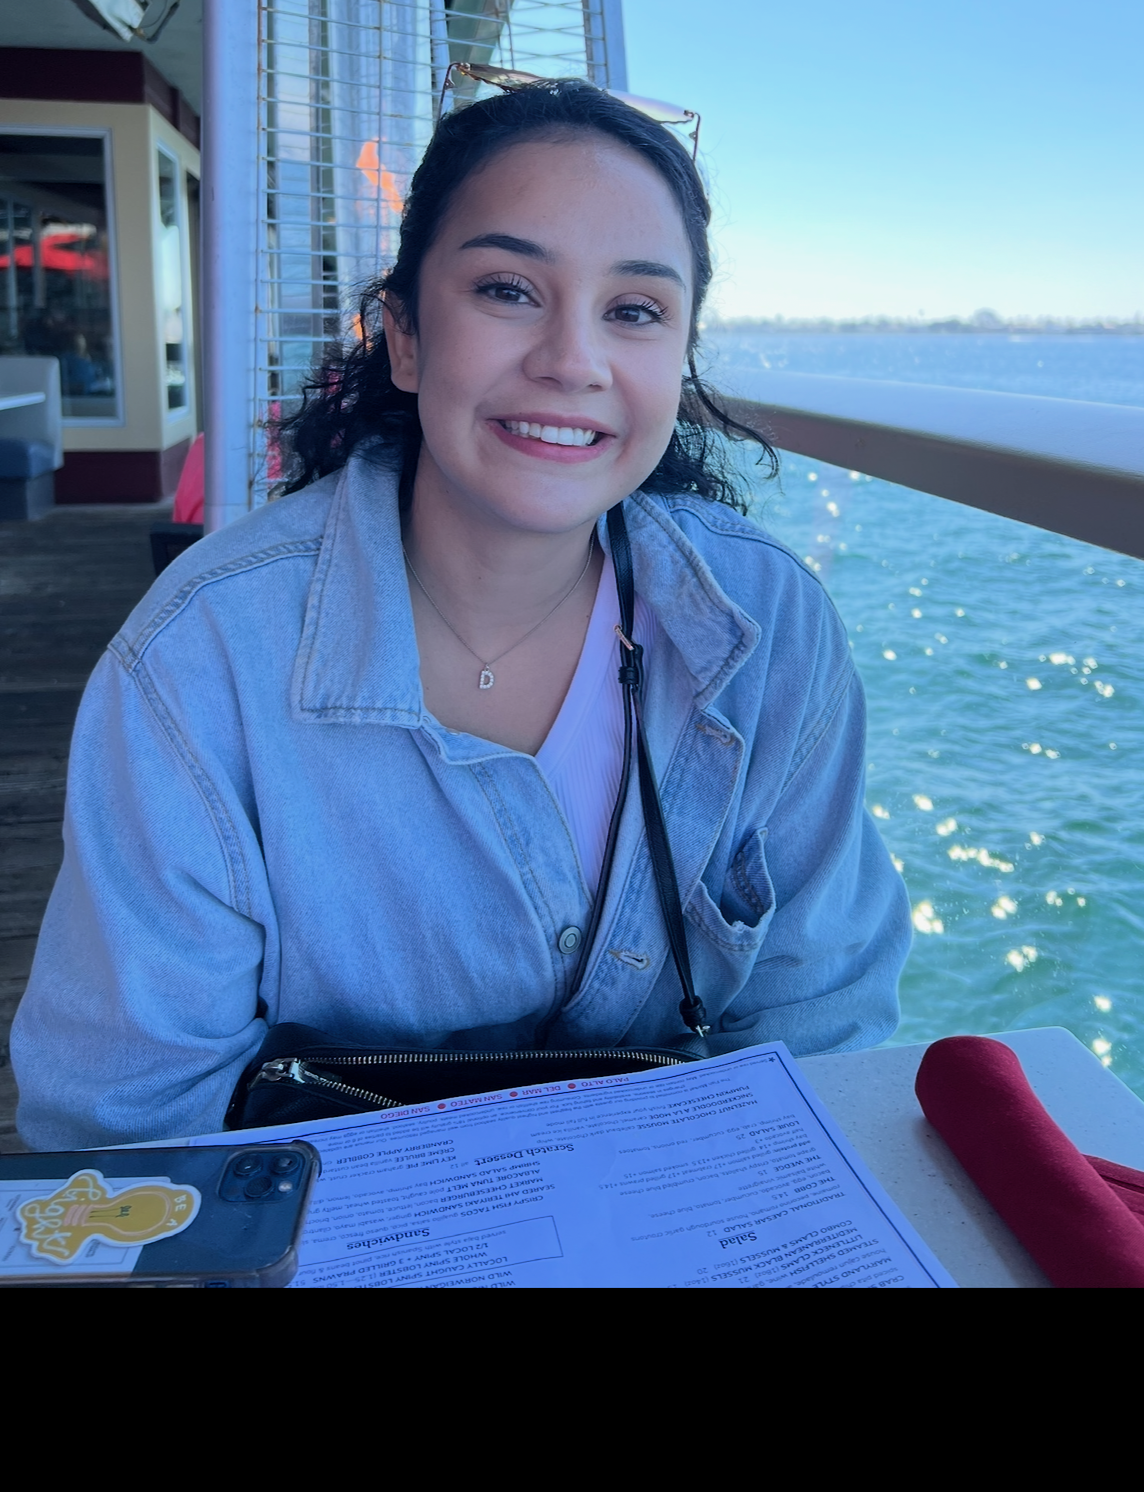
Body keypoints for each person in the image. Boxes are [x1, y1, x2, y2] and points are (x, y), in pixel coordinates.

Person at [13, 83, 911, 1146]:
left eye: (634, 310)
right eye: (507, 289)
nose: (572, 362)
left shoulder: (768, 627)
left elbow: (827, 1031)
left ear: (678, 360)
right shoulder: (201, 661)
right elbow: (131, 1129)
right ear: (403, 336)